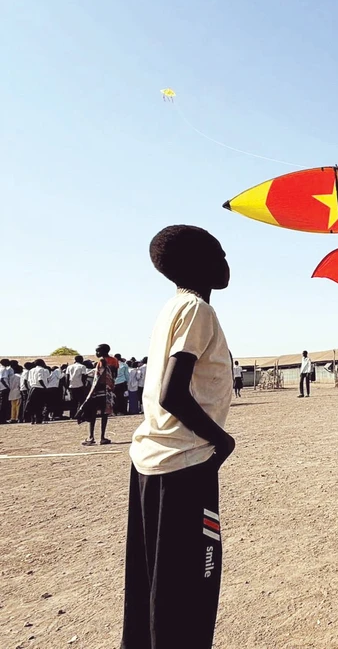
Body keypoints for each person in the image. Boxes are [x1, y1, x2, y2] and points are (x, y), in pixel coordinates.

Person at [121, 225, 236, 649]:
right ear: (199, 263)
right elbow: (173, 393)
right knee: (191, 591)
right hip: (184, 466)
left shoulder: (172, 309)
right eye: (220, 254)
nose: (227, 263)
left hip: (152, 464)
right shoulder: (198, 311)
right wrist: (222, 441)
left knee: (154, 587)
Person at [79, 345, 117, 445]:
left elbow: (98, 377)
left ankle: (91, 437)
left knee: (93, 414)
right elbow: (114, 375)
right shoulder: (114, 361)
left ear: (102, 351)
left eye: (98, 351)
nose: (96, 353)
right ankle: (102, 437)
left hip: (98, 390)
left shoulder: (101, 361)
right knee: (104, 415)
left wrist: (92, 391)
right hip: (108, 391)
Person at [25, 359, 49, 425]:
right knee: (39, 405)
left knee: (32, 404)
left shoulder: (31, 370)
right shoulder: (41, 370)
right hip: (40, 388)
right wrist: (44, 387)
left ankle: (32, 419)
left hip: (32, 388)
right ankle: (38, 419)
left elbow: (29, 381)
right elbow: (40, 379)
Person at [0, 358, 12, 423]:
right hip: (4, 388)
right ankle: (2, 419)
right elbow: (2, 379)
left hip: (1, 388)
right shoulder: (4, 369)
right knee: (4, 405)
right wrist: (7, 387)